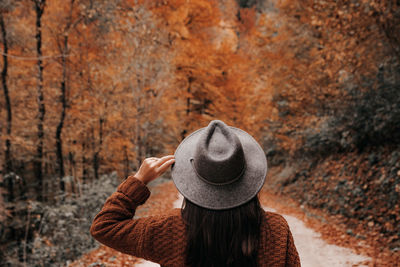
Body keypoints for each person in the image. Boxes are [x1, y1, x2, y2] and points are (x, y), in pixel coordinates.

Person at [90, 120, 301, 267]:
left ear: (193, 178)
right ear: (248, 178)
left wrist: (138, 180)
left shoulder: (168, 229)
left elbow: (104, 226)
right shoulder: (276, 230)